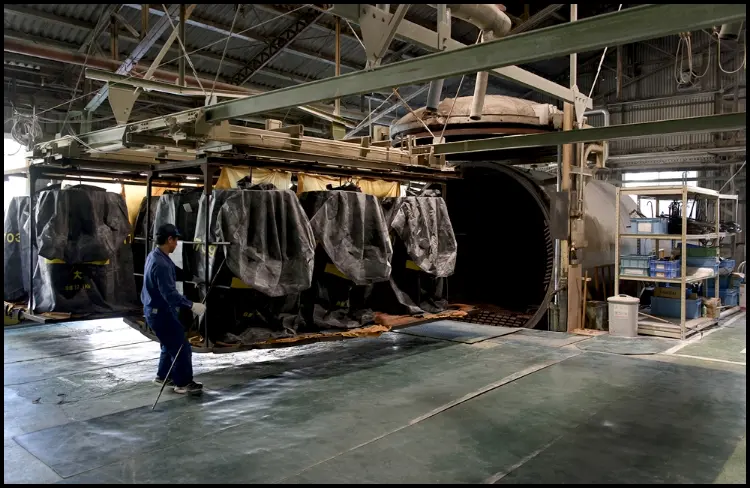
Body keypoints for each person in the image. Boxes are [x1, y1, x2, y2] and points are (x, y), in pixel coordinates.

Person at [141, 223, 206, 395]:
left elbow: (174, 271)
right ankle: (183, 383)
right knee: (181, 347)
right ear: (169, 239)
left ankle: (163, 376)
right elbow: (170, 295)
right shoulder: (160, 264)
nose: (176, 244)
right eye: (175, 240)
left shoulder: (156, 256)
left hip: (155, 310)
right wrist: (192, 305)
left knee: (169, 344)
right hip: (160, 313)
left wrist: (192, 278)